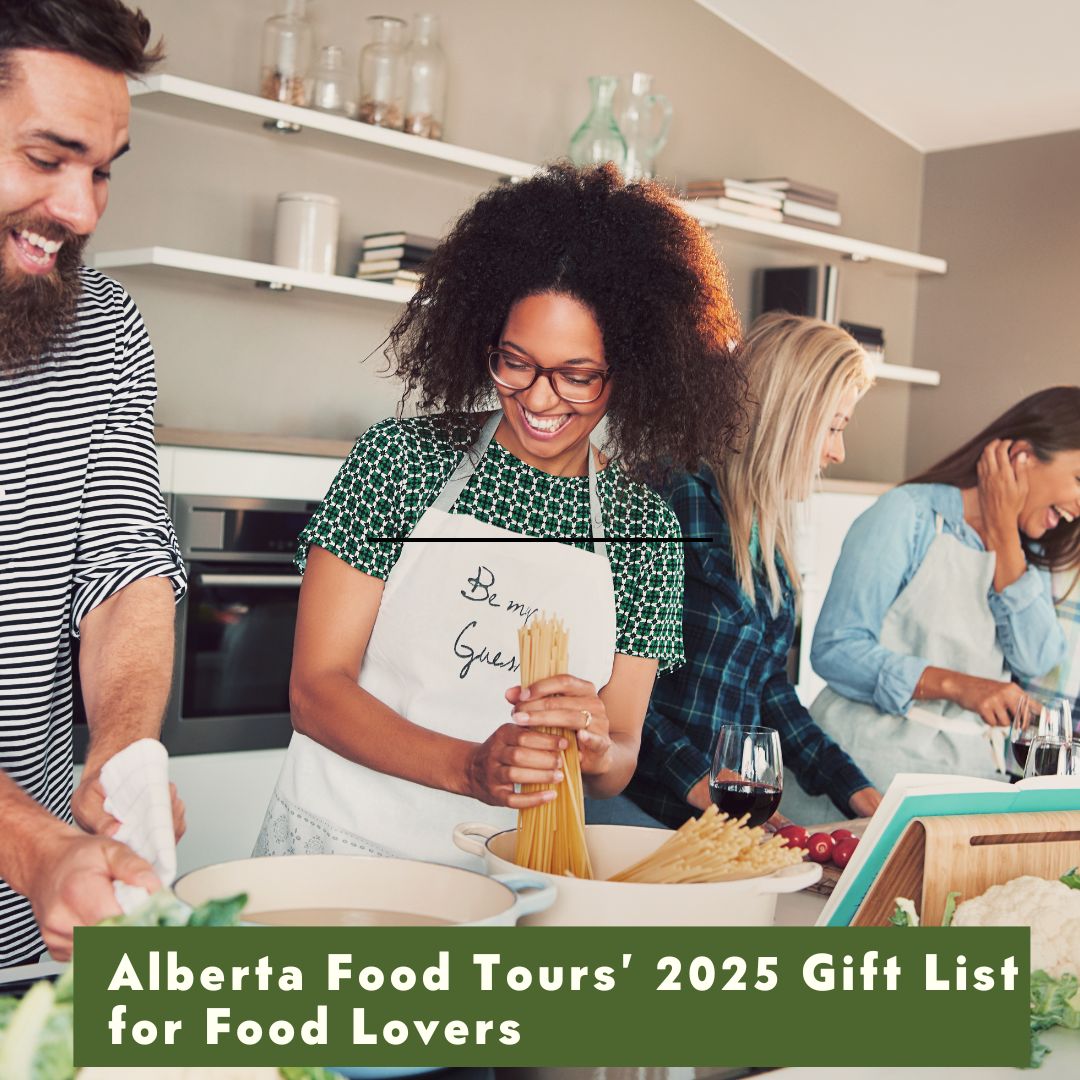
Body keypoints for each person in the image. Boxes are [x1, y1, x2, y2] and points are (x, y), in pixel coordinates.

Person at [255, 162, 745, 864]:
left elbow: (622, 758)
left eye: (577, 376)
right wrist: (467, 767)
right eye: (516, 362)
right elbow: (315, 689)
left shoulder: (644, 530)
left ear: (631, 372)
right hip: (343, 849)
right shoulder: (400, 462)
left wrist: (598, 743)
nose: (541, 400)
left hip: (513, 872)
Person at [0, 0, 187, 966]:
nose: (81, 211)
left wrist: (123, 758)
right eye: (47, 159)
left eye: (102, 170)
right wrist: (35, 846)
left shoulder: (102, 328)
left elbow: (125, 565)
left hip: (44, 927)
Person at [616, 314, 882, 830]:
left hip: (710, 821)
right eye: (833, 427)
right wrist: (707, 784)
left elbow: (768, 690)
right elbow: (614, 689)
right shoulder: (673, 497)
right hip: (638, 811)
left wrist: (853, 787)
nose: (837, 451)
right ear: (785, 414)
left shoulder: (764, 535)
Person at [788, 387, 1078, 820]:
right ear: (1021, 456)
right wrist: (959, 685)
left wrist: (1002, 534)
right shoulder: (907, 515)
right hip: (860, 783)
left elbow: (1037, 659)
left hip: (961, 788)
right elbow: (834, 648)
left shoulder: (1023, 557)